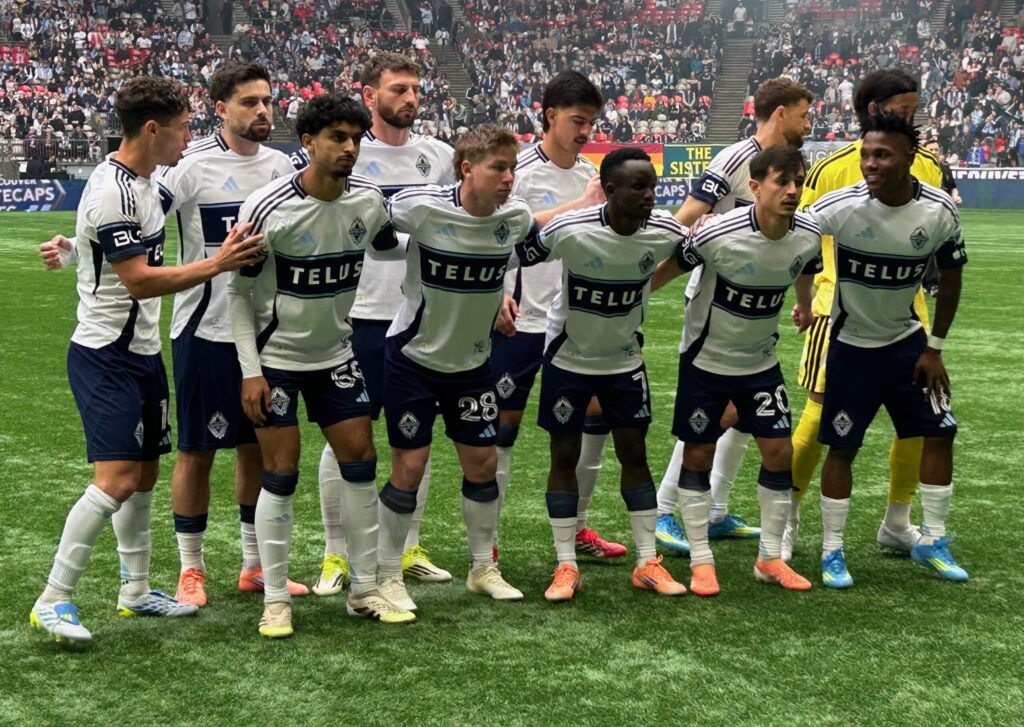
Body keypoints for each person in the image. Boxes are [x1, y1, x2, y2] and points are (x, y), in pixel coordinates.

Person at [30, 76, 265, 643]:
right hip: (105, 355)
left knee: (145, 476)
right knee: (115, 479)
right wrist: (217, 263)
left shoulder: (147, 181)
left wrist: (74, 248)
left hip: (142, 354)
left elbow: (115, 250)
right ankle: (54, 597)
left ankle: (135, 591)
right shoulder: (112, 189)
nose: (190, 137)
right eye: (183, 127)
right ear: (153, 129)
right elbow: (137, 281)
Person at [228, 94, 414, 638]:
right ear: (308, 142)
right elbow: (237, 297)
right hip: (277, 360)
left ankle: (362, 588)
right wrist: (250, 370)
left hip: (335, 353)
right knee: (280, 472)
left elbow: (388, 249)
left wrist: (456, 238)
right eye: (337, 137)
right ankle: (278, 599)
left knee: (360, 460)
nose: (349, 148)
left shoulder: (369, 201)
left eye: (355, 138)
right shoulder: (268, 208)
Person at [298, 53, 458, 595]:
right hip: (358, 317)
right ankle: (336, 553)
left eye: (415, 88)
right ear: (370, 96)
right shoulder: (348, 156)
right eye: (398, 88)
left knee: (418, 436)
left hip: (421, 316)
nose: (410, 97)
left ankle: (408, 546)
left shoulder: (439, 158)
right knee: (347, 433)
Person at [376, 125, 537, 614]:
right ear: (467, 168)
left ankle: (481, 568)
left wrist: (502, 299)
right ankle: (387, 574)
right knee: (409, 466)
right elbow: (373, 219)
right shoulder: (422, 208)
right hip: (413, 359)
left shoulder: (516, 218)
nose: (509, 178)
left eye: (512, 168)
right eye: (498, 168)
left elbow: (504, 263)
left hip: (472, 365)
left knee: (483, 463)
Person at [518, 148, 689, 602]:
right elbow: (518, 253)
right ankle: (566, 565)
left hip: (623, 362)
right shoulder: (571, 229)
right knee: (564, 456)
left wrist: (651, 284)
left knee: (634, 454)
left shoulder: (664, 230)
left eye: (652, 186)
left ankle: (647, 561)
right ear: (609, 191)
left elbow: (694, 252)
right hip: (567, 360)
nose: (649, 195)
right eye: (638, 187)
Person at [805, 113, 968, 587]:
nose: (870, 164)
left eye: (882, 155)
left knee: (941, 432)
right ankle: (832, 551)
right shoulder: (841, 207)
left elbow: (952, 275)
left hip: (908, 346)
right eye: (866, 154)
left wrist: (935, 347)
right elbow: (791, 233)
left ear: (909, 159)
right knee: (842, 447)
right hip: (851, 347)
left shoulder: (939, 210)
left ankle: (932, 540)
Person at [788, 69, 945, 562]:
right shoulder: (834, 167)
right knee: (819, 414)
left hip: (907, 310)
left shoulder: (927, 167)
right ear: (874, 110)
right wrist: (804, 297)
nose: (911, 117)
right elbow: (798, 232)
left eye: (914, 109)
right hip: (837, 311)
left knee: (918, 422)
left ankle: (897, 521)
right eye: (903, 109)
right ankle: (787, 518)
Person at [655, 78, 814, 557]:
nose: (810, 124)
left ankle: (717, 510)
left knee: (746, 417)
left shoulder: (788, 174)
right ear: (781, 113)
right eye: (805, 115)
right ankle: (666, 510)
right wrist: (641, 274)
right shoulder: (735, 158)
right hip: (714, 302)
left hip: (759, 304)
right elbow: (688, 215)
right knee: (712, 414)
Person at [491, 71, 620, 561]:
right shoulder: (519, 171)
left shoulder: (591, 174)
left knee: (593, 418)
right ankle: (490, 539)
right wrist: (498, 293)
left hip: (573, 324)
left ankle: (580, 527)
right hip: (520, 319)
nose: (585, 131)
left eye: (591, 122)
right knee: (503, 428)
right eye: (577, 120)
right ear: (550, 116)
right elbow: (499, 236)